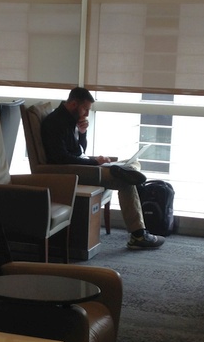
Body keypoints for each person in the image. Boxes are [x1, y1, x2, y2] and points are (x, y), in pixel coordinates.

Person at [40, 87, 164, 250]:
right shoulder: (55, 123)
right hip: (70, 173)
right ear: (74, 104)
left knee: (132, 163)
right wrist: (94, 163)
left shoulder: (71, 120)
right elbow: (61, 159)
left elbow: (78, 151)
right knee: (125, 182)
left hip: (81, 165)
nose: (86, 114)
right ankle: (138, 235)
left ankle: (124, 169)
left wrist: (82, 133)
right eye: (85, 109)